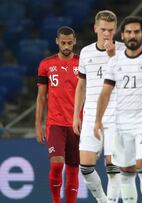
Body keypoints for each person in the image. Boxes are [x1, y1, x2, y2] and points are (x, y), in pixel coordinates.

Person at [94, 16, 142, 203]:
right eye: (128, 32)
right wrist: (98, 120)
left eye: (136, 32)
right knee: (126, 172)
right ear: (122, 35)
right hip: (122, 124)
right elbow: (105, 93)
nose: (132, 36)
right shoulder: (115, 62)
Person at [72, 10, 125, 203]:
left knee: (113, 166)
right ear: (95, 28)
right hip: (91, 115)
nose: (107, 34)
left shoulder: (123, 50)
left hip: (115, 116)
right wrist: (75, 115)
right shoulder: (86, 53)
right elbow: (81, 85)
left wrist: (112, 56)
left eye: (110, 30)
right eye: (103, 29)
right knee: (85, 168)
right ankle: (103, 200)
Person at [35, 26, 79, 203]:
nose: (67, 46)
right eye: (63, 43)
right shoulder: (46, 64)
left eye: (69, 43)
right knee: (57, 164)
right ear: (57, 42)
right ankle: (55, 201)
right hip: (55, 124)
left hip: (77, 124)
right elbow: (41, 97)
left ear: (75, 41)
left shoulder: (82, 64)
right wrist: (38, 124)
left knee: (73, 170)